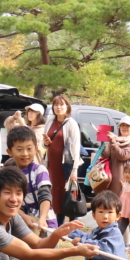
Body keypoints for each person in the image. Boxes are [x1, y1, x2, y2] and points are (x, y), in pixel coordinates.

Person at [4, 126, 79, 260]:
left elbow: (46, 196)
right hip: (22, 232)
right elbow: (5, 200)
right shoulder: (8, 173)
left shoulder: (40, 171)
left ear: (36, 149)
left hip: (47, 230)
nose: (25, 153)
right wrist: (24, 217)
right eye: (19, 149)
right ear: (10, 151)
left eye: (29, 148)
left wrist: (43, 219)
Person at [44, 95, 82, 224]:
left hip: (66, 165)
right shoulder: (49, 122)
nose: (58, 107)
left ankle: (73, 225)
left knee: (70, 194)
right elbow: (44, 144)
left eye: (61, 104)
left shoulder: (71, 124)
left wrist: (74, 170)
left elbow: (75, 148)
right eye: (56, 105)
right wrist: (46, 143)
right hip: (52, 166)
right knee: (56, 194)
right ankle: (59, 224)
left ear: (67, 107)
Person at [97, 116, 130, 198]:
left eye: (128, 126)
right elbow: (105, 155)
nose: (124, 127)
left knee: (121, 204)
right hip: (110, 179)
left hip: (124, 180)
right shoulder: (115, 140)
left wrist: (113, 142)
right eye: (122, 125)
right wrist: (102, 139)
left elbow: (122, 155)